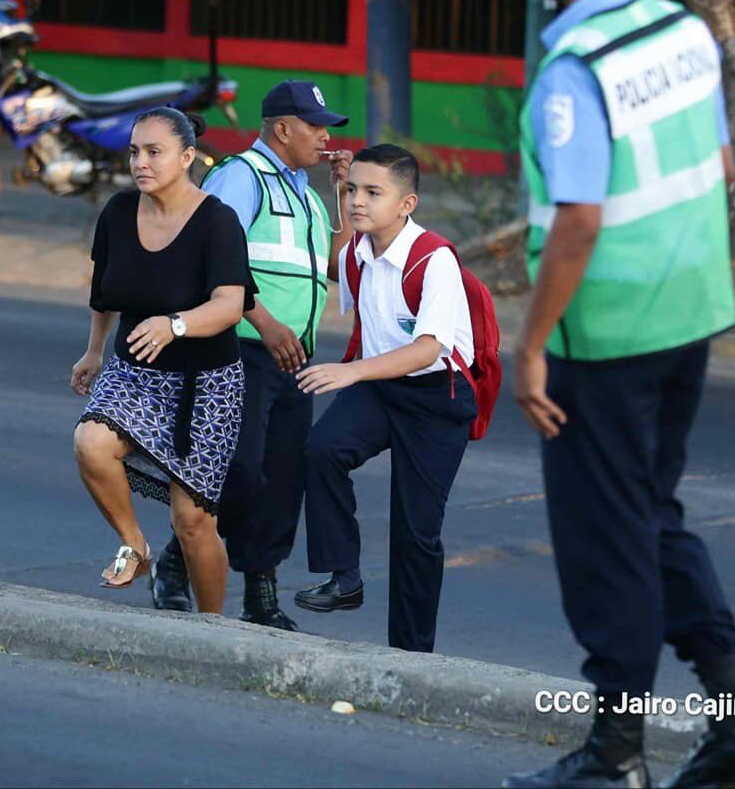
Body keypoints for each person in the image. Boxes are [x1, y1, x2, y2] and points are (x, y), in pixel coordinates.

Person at [503, 0, 735, 789]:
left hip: (608, 338)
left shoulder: (572, 71)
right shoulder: (684, 33)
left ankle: (615, 755)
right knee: (652, 515)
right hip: (689, 321)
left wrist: (531, 342)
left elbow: (579, 219)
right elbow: (719, 168)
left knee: (606, 541)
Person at [149, 80, 353, 630]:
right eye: (315, 127)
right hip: (240, 348)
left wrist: (343, 197)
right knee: (239, 471)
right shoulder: (241, 175)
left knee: (284, 477)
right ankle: (177, 558)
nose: (324, 137)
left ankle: (260, 595)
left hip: (295, 358)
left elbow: (334, 269)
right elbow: (214, 257)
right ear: (282, 129)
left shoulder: (308, 194)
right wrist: (264, 323)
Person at [292, 143, 477, 654]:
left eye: (373, 192)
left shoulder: (433, 259)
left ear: (407, 204)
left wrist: (351, 371)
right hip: (380, 388)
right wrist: (337, 189)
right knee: (322, 449)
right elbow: (336, 262)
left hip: (437, 398)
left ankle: (411, 654)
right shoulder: (358, 250)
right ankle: (345, 577)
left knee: (416, 533)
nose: (357, 201)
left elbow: (427, 349)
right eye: (354, 190)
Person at [71, 107, 255, 614]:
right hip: (135, 371)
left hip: (206, 382)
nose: (141, 163)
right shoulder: (117, 213)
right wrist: (93, 351)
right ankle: (135, 545)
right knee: (90, 442)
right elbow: (103, 293)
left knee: (192, 522)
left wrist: (174, 324)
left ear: (188, 156)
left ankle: (213, 628)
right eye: (135, 152)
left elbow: (229, 305)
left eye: (155, 152)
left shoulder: (217, 221)